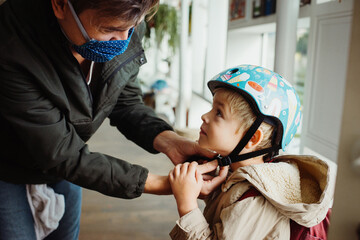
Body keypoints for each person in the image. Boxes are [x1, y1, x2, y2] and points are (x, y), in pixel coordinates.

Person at [0, 0, 226, 239]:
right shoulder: (10, 45)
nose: (122, 40)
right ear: (59, 5)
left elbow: (125, 101)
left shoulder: (126, 21)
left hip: (69, 164)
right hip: (9, 166)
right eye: (108, 29)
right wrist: (168, 185)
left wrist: (170, 141)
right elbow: (61, 153)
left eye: (132, 28)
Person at [168, 64, 335, 239]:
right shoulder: (238, 175)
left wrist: (187, 206)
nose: (205, 116)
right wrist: (212, 195)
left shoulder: (256, 200)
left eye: (218, 113)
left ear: (253, 138)